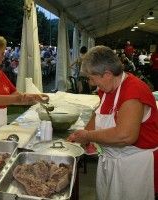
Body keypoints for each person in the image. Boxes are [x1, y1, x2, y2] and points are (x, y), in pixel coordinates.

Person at [67, 46, 158, 200]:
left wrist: (89, 135)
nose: (91, 83)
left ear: (107, 74)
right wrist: (80, 138)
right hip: (112, 160)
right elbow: (99, 116)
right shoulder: (109, 89)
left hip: (134, 167)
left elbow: (125, 136)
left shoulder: (133, 92)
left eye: (92, 78)